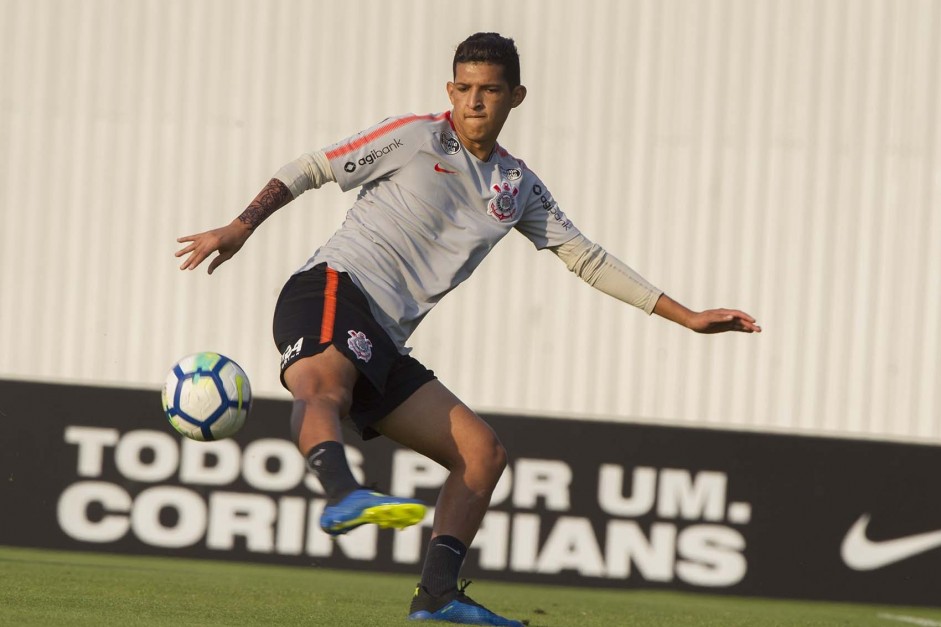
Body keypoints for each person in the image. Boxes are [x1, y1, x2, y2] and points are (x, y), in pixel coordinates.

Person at [175, 32, 761, 627]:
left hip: (384, 336)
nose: (473, 101)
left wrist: (685, 315)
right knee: (325, 386)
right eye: (463, 88)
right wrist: (241, 225)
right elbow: (312, 168)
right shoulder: (413, 137)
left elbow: (586, 258)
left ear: (516, 97)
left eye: (489, 90)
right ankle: (340, 491)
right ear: (449, 90)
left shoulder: (517, 186)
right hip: (333, 288)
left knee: (482, 454)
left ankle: (436, 596)